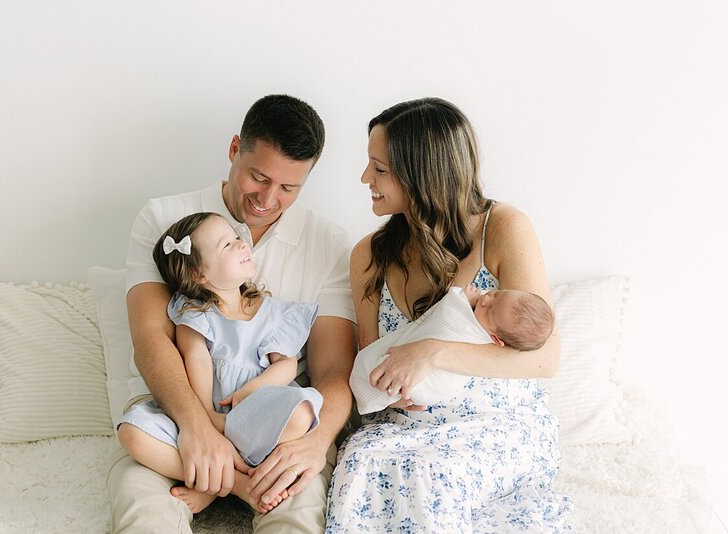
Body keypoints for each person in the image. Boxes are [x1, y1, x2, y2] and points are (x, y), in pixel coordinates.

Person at [107, 94, 357, 534]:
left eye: (288, 188)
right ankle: (228, 483)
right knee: (143, 509)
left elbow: (334, 372)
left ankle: (241, 480)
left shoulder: (330, 245)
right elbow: (152, 338)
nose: (267, 198)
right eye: (258, 177)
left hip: (273, 426)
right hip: (174, 409)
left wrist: (317, 444)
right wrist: (197, 427)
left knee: (299, 514)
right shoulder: (166, 221)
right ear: (234, 149)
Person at [326, 98, 571, 532]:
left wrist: (431, 352)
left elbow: (544, 359)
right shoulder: (370, 254)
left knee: (428, 478)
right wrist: (390, 391)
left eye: (379, 169)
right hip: (402, 431)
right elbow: (371, 361)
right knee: (362, 464)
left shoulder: (503, 227)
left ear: (423, 175)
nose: (366, 178)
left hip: (495, 430)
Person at [117, 212, 324, 514]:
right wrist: (207, 420)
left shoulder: (273, 312)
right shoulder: (194, 315)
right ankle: (237, 484)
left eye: (237, 238)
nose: (242, 245)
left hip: (252, 416)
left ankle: (213, 481)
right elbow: (196, 362)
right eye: (227, 245)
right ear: (200, 274)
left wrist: (251, 390)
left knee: (302, 412)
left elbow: (286, 365)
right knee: (131, 433)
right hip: (204, 418)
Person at [349, 283, 555, 414]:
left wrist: (461, 300)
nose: (484, 301)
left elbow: (450, 319)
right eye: (496, 294)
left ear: (496, 340)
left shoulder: (475, 333)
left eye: (490, 313)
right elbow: (438, 322)